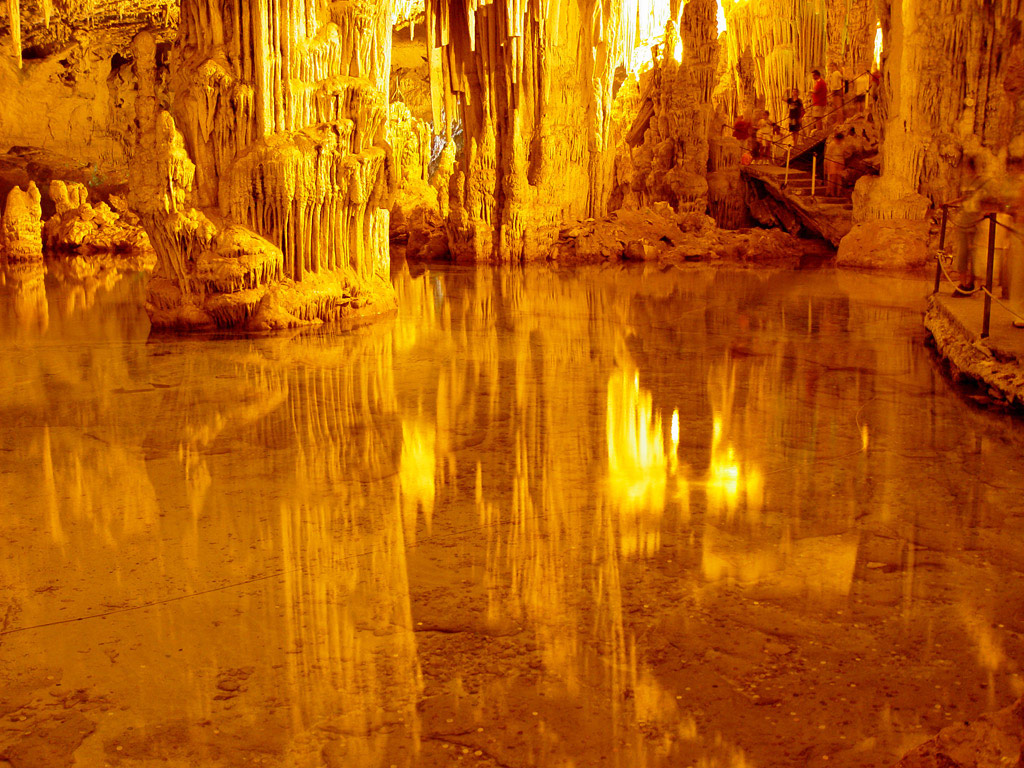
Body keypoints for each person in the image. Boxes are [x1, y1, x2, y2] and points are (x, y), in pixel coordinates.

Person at [824, 132, 846, 196]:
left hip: (840, 161)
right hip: (833, 161)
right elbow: (828, 155)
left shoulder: (843, 144)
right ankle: (831, 193)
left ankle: (838, 193)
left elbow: (844, 154)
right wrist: (826, 164)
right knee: (832, 177)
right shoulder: (832, 144)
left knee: (839, 177)